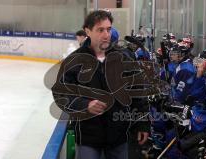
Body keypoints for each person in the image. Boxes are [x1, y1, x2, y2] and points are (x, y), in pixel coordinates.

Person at [52, 10, 149, 159]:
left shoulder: (123, 57)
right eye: (100, 30)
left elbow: (137, 92)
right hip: (88, 139)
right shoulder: (74, 60)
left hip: (118, 137)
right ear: (87, 31)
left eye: (109, 29)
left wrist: (141, 123)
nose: (106, 34)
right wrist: (85, 105)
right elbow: (61, 93)